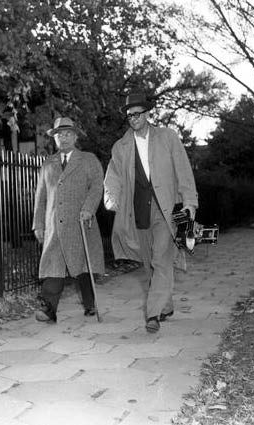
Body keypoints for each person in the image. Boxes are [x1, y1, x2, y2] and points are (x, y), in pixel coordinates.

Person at [103, 91, 198, 333]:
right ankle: (165, 305)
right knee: (149, 264)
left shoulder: (167, 138)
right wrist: (111, 198)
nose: (133, 118)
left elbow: (183, 172)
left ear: (147, 114)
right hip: (137, 211)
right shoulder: (121, 147)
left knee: (161, 258)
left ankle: (152, 314)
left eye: (137, 114)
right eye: (129, 116)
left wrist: (190, 202)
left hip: (166, 209)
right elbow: (112, 177)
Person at [32, 117, 105, 323]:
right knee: (53, 267)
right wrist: (38, 223)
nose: (63, 138)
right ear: (54, 139)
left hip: (81, 223)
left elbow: (97, 187)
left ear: (75, 137)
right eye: (59, 135)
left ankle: (90, 303)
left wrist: (89, 209)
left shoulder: (88, 160)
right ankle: (48, 310)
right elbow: (41, 196)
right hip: (54, 225)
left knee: (82, 267)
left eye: (67, 134)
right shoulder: (48, 164)